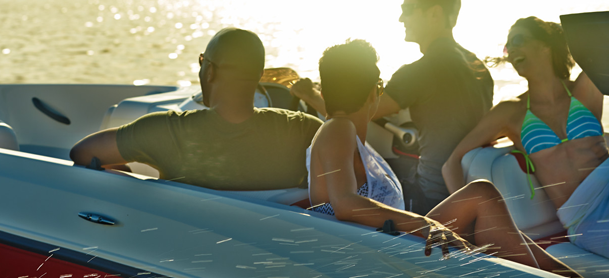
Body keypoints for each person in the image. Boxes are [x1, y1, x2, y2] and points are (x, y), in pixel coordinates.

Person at [306, 38, 579, 276]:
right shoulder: (338, 127)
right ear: (373, 92)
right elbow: (344, 204)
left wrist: (425, 225)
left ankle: (561, 275)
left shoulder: (346, 133)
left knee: (481, 196)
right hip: (372, 256)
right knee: (481, 197)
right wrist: (426, 224)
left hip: (384, 243)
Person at [292, 0, 493, 215]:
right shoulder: (478, 68)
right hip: (468, 179)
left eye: (408, 10)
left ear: (435, 14)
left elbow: (353, 107)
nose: (401, 18)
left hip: (431, 195)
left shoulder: (421, 72)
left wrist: (309, 95)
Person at [70, 28, 323, 191]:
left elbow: (82, 153)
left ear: (209, 71)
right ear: (259, 75)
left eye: (202, 61)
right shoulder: (304, 129)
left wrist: (123, 172)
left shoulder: (164, 130)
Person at [443, 16, 609, 260]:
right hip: (584, 215)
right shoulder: (511, 112)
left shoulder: (586, 86)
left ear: (545, 45)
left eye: (519, 40)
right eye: (508, 46)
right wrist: (465, 224)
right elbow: (452, 162)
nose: (512, 51)